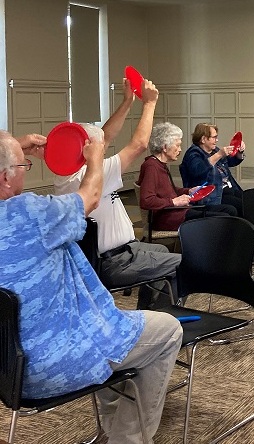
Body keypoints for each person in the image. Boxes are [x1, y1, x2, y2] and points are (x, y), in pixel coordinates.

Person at [0, 129, 183, 444]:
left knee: (118, 331)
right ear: (5, 177)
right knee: (167, 330)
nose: (26, 167)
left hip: (4, 365)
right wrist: (94, 159)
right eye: (22, 164)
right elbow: (90, 196)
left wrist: (10, 149)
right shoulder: (30, 214)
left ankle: (117, 425)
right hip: (53, 362)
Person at [54, 78, 181, 309]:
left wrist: (127, 101)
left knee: (161, 250)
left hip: (121, 252)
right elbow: (140, 144)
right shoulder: (93, 175)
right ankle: (164, 317)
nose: (104, 146)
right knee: (181, 264)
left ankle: (147, 313)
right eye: (99, 146)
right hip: (115, 262)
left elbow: (105, 134)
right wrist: (149, 103)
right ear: (87, 149)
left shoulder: (70, 175)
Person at [137, 122, 235, 231]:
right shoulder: (151, 166)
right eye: (177, 145)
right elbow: (146, 200)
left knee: (229, 210)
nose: (180, 150)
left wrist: (188, 191)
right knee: (224, 217)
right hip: (170, 218)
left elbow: (166, 190)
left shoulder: (159, 165)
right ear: (165, 147)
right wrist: (174, 202)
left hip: (179, 212)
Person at [179, 123, 243, 216]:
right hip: (212, 197)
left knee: (249, 200)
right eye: (214, 137)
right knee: (239, 205)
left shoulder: (214, 150)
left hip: (226, 189)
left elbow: (231, 162)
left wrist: (239, 152)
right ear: (203, 139)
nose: (217, 140)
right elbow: (198, 170)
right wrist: (219, 154)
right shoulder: (193, 153)